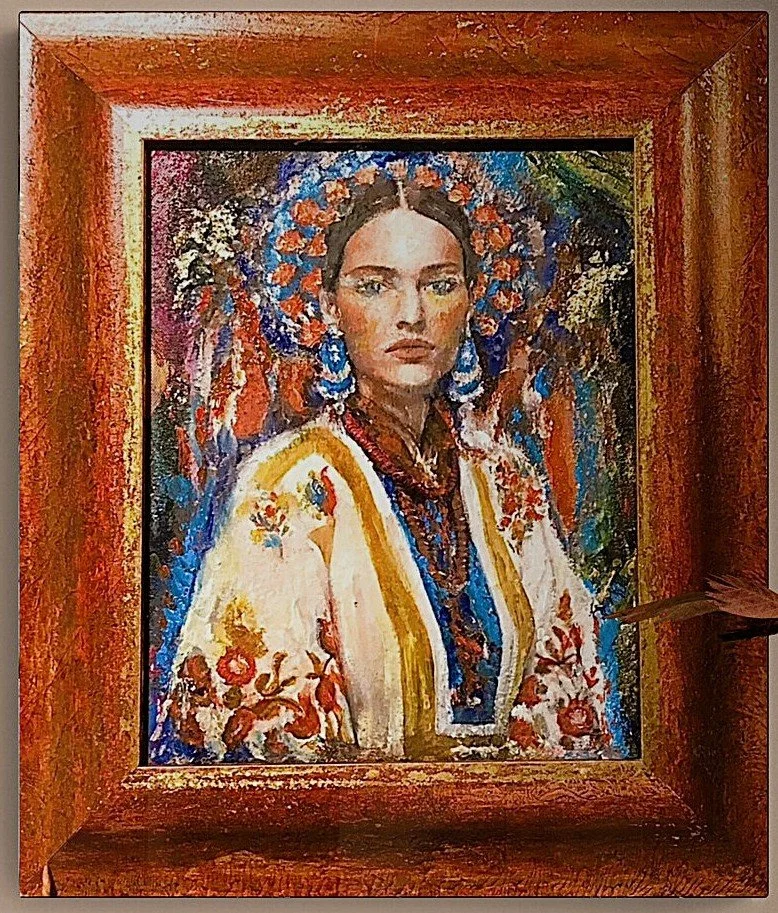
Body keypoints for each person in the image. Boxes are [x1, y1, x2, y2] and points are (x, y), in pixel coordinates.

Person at [152, 157, 615, 763]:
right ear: (328, 306)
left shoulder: (505, 482)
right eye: (374, 285)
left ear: (472, 301)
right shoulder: (290, 485)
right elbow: (258, 730)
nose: (411, 315)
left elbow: (564, 693)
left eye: (439, 284)